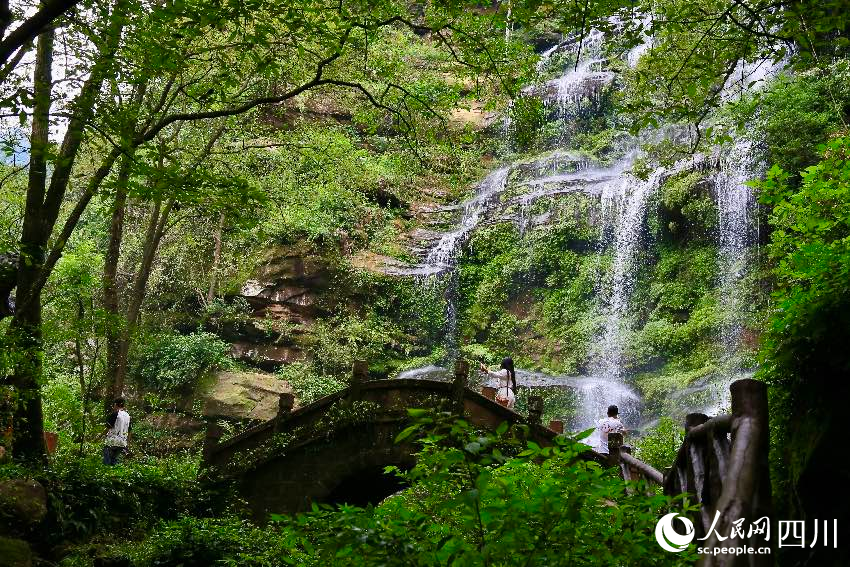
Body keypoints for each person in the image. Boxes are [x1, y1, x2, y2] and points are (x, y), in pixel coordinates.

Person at [102, 397, 131, 465]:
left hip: (112, 441)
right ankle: (113, 474)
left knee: (107, 462)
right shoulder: (128, 416)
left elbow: (107, 428)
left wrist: (99, 437)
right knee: (114, 461)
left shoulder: (115, 414)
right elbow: (129, 431)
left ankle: (106, 473)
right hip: (122, 442)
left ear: (115, 404)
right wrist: (127, 443)